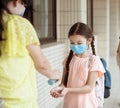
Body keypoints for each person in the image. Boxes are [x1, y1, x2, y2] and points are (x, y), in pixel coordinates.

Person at [0, 0, 60, 108]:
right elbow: (41, 63)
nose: (24, 9)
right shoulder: (19, 24)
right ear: (17, 2)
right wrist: (53, 74)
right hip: (18, 99)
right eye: (25, 5)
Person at [50, 22, 105, 108]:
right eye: (72, 43)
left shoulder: (94, 61)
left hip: (87, 104)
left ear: (89, 41)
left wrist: (68, 90)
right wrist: (59, 89)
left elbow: (89, 88)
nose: (75, 46)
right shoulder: (68, 60)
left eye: (79, 43)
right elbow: (64, 83)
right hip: (69, 103)